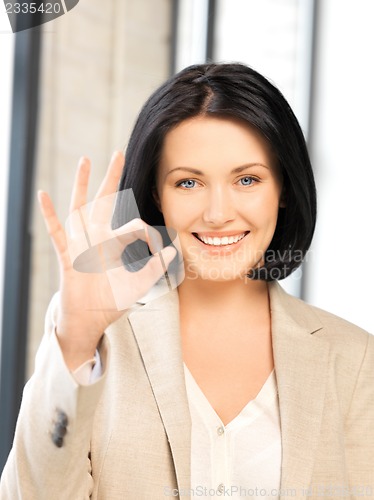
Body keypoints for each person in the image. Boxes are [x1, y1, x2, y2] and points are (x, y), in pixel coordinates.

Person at [0, 63, 373, 500]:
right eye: (189, 182)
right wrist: (77, 339)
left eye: (247, 179)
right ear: (158, 194)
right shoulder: (100, 342)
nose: (217, 214)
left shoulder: (354, 359)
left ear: (284, 188)